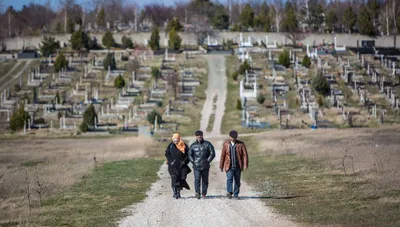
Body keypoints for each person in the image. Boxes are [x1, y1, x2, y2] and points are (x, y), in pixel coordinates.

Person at [220, 130, 248, 199]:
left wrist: (245, 164)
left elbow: (245, 155)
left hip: (238, 166)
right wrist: (221, 165)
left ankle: (236, 195)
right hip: (229, 166)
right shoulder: (226, 144)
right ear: (229, 137)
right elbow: (223, 155)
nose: (233, 139)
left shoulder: (241, 144)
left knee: (237, 181)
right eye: (232, 137)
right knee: (229, 179)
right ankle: (229, 192)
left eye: (235, 137)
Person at [188, 130, 215, 199]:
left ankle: (204, 193)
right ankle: (197, 193)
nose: (199, 137)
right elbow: (189, 155)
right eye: (197, 135)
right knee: (197, 179)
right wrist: (193, 161)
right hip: (196, 166)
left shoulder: (208, 144)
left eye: (200, 135)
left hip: (205, 166)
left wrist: (207, 161)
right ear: (196, 137)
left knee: (205, 180)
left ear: (202, 136)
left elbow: (212, 153)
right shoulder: (193, 145)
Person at [165, 133, 191, 199]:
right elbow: (167, 154)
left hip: (182, 166)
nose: (175, 142)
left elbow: (188, 155)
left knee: (181, 179)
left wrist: (184, 161)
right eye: (174, 140)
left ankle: (179, 192)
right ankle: (175, 193)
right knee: (174, 179)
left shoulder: (184, 145)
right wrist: (170, 161)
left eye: (176, 140)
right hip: (172, 166)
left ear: (179, 139)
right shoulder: (170, 146)